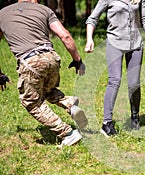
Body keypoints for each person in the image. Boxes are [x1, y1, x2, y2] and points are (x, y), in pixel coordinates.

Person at [0, 0, 88, 146]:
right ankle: (71, 105)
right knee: (47, 90)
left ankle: (67, 133)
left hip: (30, 61)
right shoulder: (44, 10)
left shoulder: (2, 13)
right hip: (51, 57)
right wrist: (77, 60)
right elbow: (65, 36)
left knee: (31, 102)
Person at [85, 0, 145, 136]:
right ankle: (107, 123)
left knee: (134, 83)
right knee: (114, 80)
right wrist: (89, 39)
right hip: (114, 42)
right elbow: (92, 19)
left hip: (135, 44)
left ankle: (135, 117)